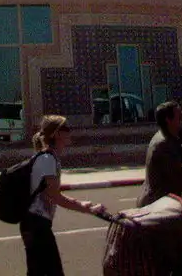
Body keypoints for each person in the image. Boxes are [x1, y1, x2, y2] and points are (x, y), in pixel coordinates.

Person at [21, 114, 108, 276]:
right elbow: (55, 196)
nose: (70, 132)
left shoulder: (49, 157)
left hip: (34, 223)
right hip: (36, 224)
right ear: (57, 134)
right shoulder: (47, 159)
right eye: (66, 129)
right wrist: (86, 208)